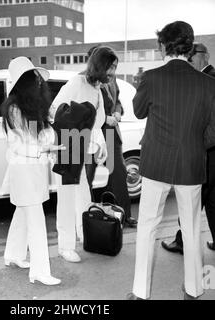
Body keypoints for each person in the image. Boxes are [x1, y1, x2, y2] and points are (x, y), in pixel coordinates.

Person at [127, 21, 215, 300]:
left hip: (155, 163)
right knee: (191, 228)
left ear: (163, 46)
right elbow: (214, 130)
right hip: (191, 164)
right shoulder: (209, 83)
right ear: (190, 48)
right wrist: (194, 146)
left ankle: (140, 293)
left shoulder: (151, 78)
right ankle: (194, 289)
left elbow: (139, 112)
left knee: (147, 227)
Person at [0, 57, 65, 286]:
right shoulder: (15, 109)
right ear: (25, 82)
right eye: (35, 78)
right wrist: (43, 149)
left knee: (22, 216)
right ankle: (40, 271)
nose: (40, 82)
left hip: (33, 171)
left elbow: (40, 138)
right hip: (24, 173)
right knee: (36, 221)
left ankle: (13, 255)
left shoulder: (32, 108)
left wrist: (47, 146)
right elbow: (16, 145)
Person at [49, 46, 117, 263]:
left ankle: (84, 234)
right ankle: (65, 246)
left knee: (84, 196)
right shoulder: (76, 82)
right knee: (67, 199)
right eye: (111, 67)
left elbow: (98, 121)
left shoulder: (97, 88)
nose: (113, 72)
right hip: (69, 147)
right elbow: (54, 110)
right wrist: (76, 131)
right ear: (100, 65)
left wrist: (99, 144)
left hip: (83, 148)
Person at [162, 43, 215, 254]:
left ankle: (182, 242)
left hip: (205, 153)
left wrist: (196, 146)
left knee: (192, 200)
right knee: (211, 201)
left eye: (195, 54)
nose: (191, 58)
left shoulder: (208, 80)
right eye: (189, 54)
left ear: (206, 56)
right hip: (209, 154)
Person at [86, 45, 138, 228]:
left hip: (110, 134)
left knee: (118, 174)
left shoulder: (112, 77)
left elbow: (117, 101)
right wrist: (104, 118)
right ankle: (86, 218)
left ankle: (125, 215)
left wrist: (116, 113)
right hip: (91, 134)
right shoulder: (84, 79)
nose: (111, 69)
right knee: (86, 178)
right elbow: (83, 108)